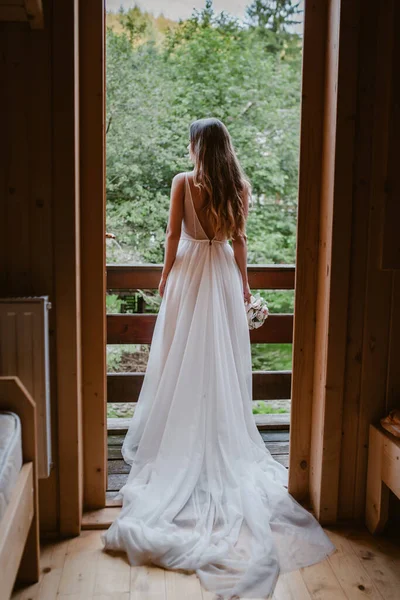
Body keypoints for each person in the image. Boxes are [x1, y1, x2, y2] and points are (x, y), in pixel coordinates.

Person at [101, 117, 335, 599]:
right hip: (223, 276)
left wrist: (165, 277)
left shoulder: (183, 183)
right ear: (225, 147)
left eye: (190, 143)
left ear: (195, 146)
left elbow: (172, 237)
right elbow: (241, 242)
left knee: (179, 358)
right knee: (221, 360)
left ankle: (183, 433)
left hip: (189, 275)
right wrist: (245, 286)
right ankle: (215, 431)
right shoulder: (238, 186)